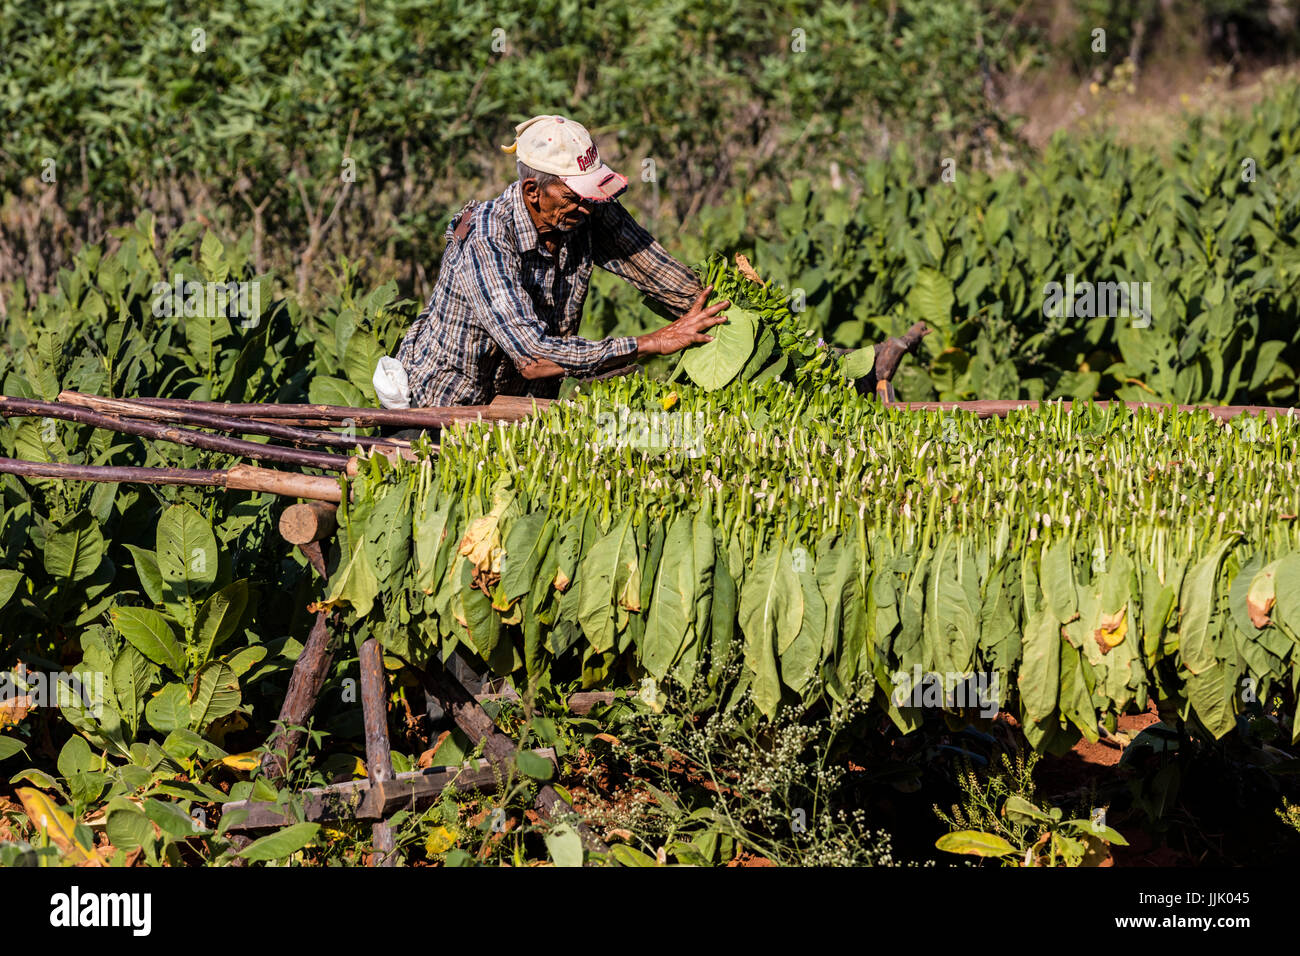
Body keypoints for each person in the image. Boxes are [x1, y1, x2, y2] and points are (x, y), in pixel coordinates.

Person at [394, 114, 730, 408]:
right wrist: (652, 343)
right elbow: (534, 357)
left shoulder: (584, 210)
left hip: (522, 404)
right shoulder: (487, 238)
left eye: (591, 196)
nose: (587, 207)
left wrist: (721, 310)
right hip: (445, 402)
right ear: (532, 191)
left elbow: (652, 266)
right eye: (574, 197)